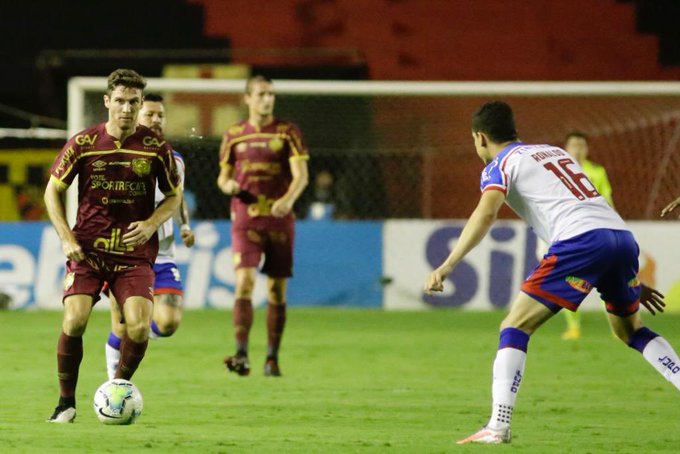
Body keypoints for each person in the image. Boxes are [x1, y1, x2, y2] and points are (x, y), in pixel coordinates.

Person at [425, 101, 673, 444]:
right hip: (619, 238)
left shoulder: (501, 164)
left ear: (480, 138)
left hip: (579, 242)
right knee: (630, 331)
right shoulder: (553, 152)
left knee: (514, 325)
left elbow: (485, 213)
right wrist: (624, 275)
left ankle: (498, 426)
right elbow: (585, 207)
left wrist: (448, 263)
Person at [44, 69, 181, 423]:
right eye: (119, 101)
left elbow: (173, 196)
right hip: (87, 251)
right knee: (74, 321)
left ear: (139, 105)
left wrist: (152, 223)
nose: (126, 108)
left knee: (137, 327)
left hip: (134, 254)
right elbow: (53, 190)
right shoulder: (84, 143)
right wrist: (65, 237)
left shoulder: (154, 147)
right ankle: (65, 403)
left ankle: (117, 391)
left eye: (133, 102)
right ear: (107, 101)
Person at [217, 75, 309, 377]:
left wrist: (288, 199)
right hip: (246, 218)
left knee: (276, 289)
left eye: (270, 94)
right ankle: (241, 353)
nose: (267, 99)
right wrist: (227, 184)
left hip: (280, 218)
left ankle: (272, 358)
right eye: (260, 94)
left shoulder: (287, 131)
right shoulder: (234, 134)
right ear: (247, 98)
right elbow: (223, 177)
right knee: (244, 281)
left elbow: (301, 175)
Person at [104, 93, 195, 380]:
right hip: (123, 254)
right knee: (121, 328)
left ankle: (139, 336)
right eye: (149, 115)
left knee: (167, 322)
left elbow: (176, 198)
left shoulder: (174, 160)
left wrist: (184, 226)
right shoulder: (116, 155)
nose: (155, 120)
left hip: (162, 254)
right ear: (136, 117)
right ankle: (114, 385)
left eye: (160, 115)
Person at [560, 131, 615, 340]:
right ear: (566, 148)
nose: (577, 149)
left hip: (595, 234)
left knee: (606, 282)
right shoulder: (558, 173)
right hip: (567, 233)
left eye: (581, 145)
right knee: (569, 282)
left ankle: (616, 325)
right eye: (573, 145)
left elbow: (607, 202)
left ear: (587, 149)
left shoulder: (597, 172)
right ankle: (573, 327)